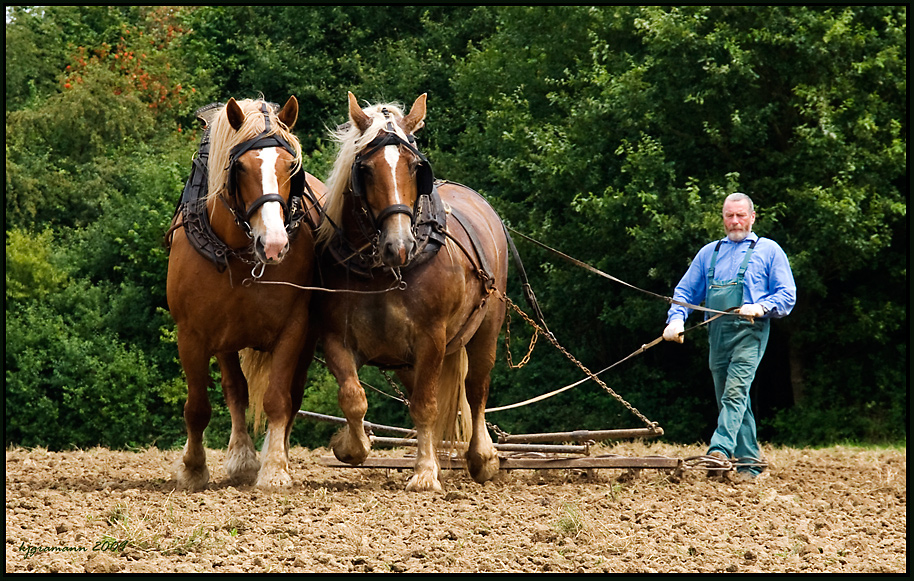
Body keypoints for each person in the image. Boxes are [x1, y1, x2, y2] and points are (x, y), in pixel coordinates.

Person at [663, 193, 796, 482]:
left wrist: (761, 306)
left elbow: (787, 295)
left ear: (752, 216)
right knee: (732, 399)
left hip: (750, 331)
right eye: (729, 216)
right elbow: (685, 292)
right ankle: (750, 465)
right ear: (722, 217)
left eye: (740, 215)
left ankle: (719, 450)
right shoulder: (709, 253)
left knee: (735, 391)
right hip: (717, 335)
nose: (735, 221)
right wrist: (676, 320)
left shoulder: (769, 250)